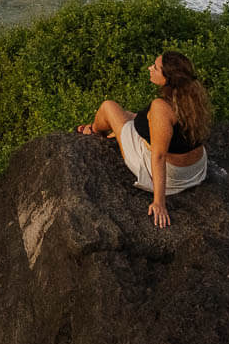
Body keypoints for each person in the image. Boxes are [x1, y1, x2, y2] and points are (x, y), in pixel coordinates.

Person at [76, 51, 212, 228]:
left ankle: (94, 130)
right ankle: (110, 125)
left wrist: (159, 203)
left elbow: (159, 156)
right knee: (129, 115)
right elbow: (166, 126)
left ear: (167, 78)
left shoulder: (161, 108)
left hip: (173, 176)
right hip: (196, 169)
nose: (150, 68)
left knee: (108, 107)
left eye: (155, 67)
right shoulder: (191, 96)